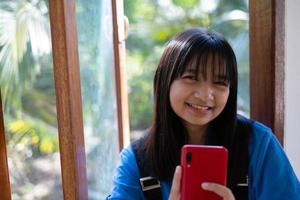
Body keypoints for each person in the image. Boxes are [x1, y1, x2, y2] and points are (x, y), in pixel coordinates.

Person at [107, 28, 300, 199]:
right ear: (165, 81)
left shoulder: (259, 143)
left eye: (219, 82)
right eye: (191, 77)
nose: (205, 94)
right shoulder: (136, 160)